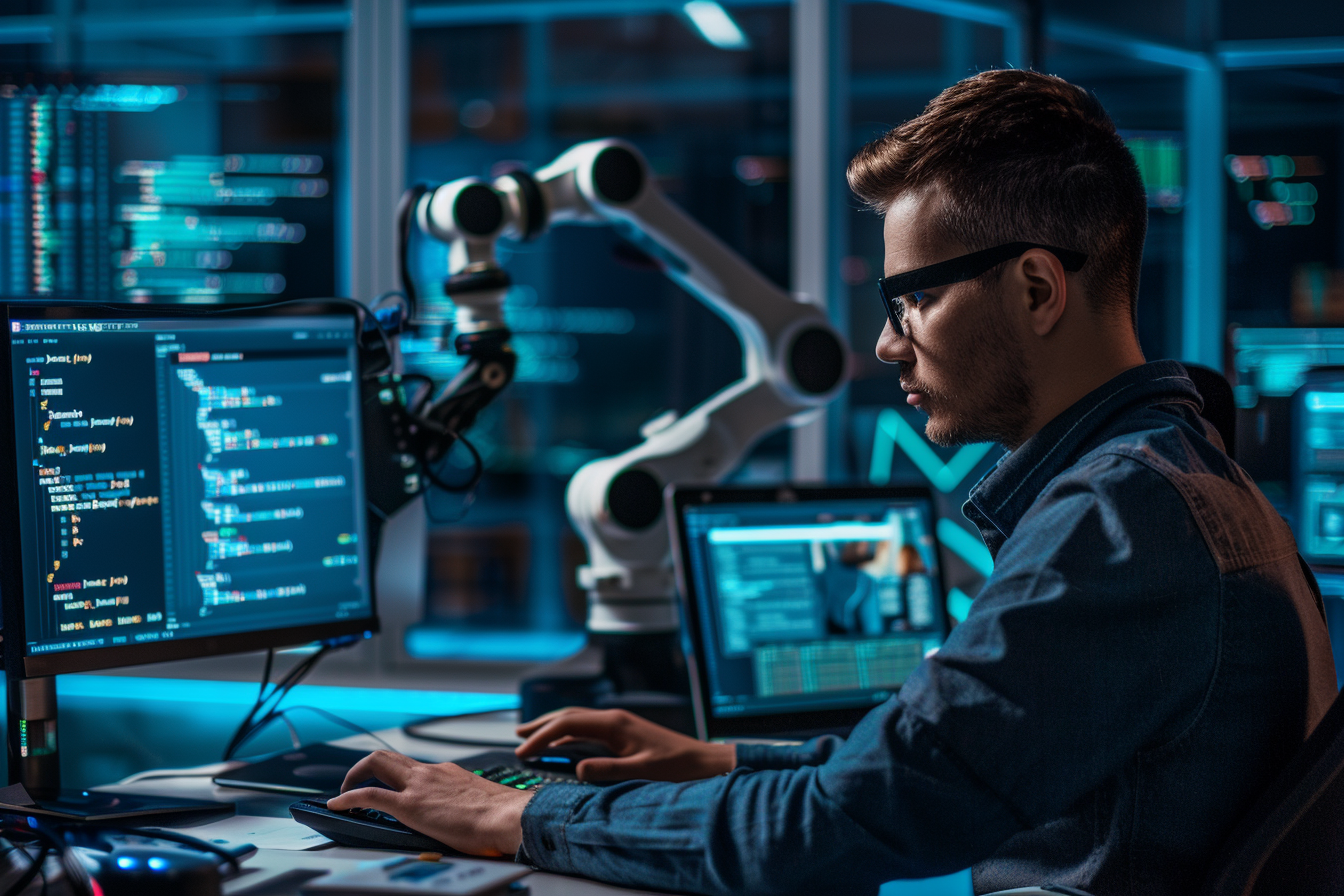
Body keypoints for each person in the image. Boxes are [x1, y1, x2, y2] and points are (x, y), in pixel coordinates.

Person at [328, 70, 1338, 895]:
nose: (886, 342)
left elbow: (846, 824)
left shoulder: (1115, 523)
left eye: (917, 299)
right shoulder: (1181, 479)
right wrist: (715, 760)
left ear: (1037, 286)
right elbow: (933, 761)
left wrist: (523, 813)